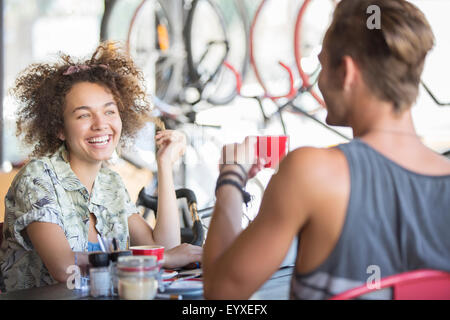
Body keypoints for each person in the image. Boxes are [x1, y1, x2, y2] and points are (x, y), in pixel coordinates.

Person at [203, 0, 450, 300]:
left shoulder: (312, 172)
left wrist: (231, 176)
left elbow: (220, 293)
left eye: (322, 64)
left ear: (346, 71)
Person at [0, 41, 202, 292]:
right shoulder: (38, 178)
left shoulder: (110, 183)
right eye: (84, 115)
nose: (100, 124)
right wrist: (164, 258)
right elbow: (64, 268)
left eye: (109, 112)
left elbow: (163, 245)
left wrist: (165, 164)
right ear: (60, 128)